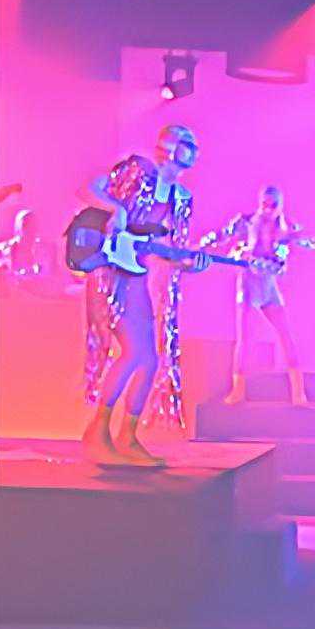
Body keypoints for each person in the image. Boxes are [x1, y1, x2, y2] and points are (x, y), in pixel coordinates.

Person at [79, 125, 210, 466]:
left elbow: (169, 251)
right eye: (187, 144)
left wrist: (190, 264)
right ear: (170, 147)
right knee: (134, 352)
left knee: (149, 359)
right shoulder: (138, 171)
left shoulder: (180, 198)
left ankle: (127, 436)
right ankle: (98, 431)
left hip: (135, 277)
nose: (193, 151)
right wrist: (117, 210)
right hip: (110, 273)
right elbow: (88, 188)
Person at [198, 185, 315, 405]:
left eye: (273, 205)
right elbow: (222, 236)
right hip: (248, 286)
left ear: (280, 206)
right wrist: (202, 246)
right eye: (265, 204)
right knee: (245, 339)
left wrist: (280, 258)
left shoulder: (285, 229)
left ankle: (298, 391)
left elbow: (284, 260)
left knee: (286, 336)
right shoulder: (246, 222)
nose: (268, 209)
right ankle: (238, 390)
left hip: (268, 287)